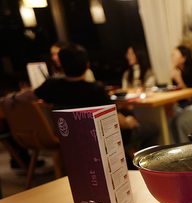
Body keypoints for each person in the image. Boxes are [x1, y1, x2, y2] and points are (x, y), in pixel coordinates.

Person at [3, 43, 157, 168]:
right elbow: (114, 119)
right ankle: (144, 167)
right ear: (87, 65)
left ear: (61, 65)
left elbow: (28, 95)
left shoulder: (52, 85)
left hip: (69, 137)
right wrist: (129, 122)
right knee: (152, 129)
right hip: (99, 140)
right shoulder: (95, 90)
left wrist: (11, 97)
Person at [169, 45, 192, 144]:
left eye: (174, 55)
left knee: (181, 121)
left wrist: (179, 80)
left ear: (183, 58)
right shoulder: (177, 72)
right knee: (170, 120)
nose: (172, 57)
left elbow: (191, 98)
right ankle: (175, 148)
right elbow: (178, 94)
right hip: (183, 106)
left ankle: (186, 147)